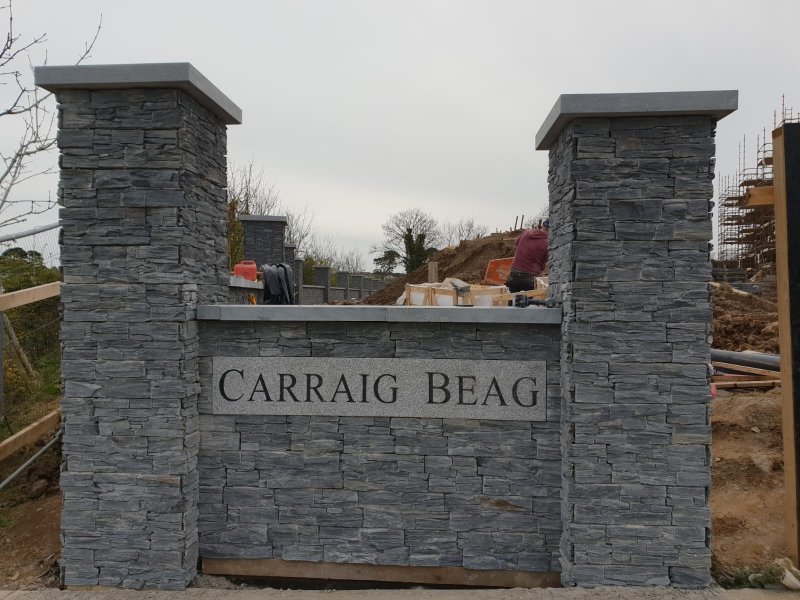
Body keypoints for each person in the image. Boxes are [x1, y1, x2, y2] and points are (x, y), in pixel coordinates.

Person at [506, 219, 549, 292]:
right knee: (530, 302)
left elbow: (516, 242)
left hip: (514, 274)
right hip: (529, 278)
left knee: (513, 300)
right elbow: (549, 261)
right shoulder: (547, 243)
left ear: (542, 226)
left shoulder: (527, 232)